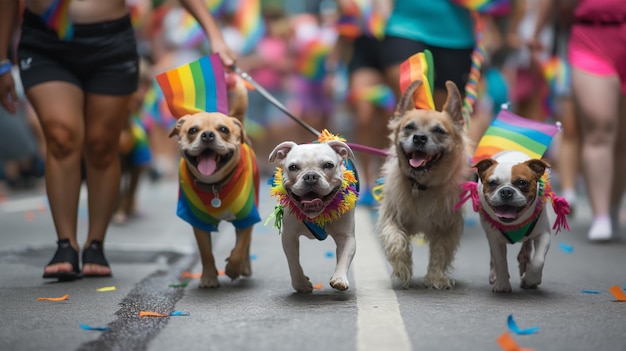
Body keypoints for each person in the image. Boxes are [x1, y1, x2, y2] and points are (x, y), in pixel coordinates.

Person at [0, 0, 236, 280]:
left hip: (110, 42)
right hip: (45, 41)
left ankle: (95, 244)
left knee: (102, 145)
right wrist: (2, 60)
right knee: (61, 136)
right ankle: (66, 243)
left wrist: (215, 36)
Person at [529, 0, 626, 242]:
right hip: (589, 37)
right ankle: (601, 215)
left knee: (623, 138)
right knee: (600, 126)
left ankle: (613, 209)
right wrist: (536, 33)